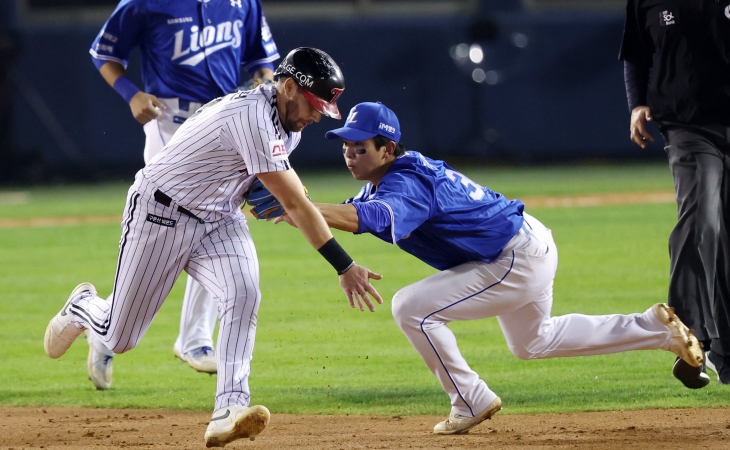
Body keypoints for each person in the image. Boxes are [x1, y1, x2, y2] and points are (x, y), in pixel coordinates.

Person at [275, 101, 704, 435]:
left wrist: (302, 206)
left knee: (411, 308)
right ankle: (656, 329)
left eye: (360, 147)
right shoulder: (392, 176)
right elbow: (354, 211)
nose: (350, 155)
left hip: (512, 257)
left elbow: (370, 218)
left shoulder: (406, 183)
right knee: (532, 341)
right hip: (526, 242)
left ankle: (470, 400)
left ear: (387, 149)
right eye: (346, 146)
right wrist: (300, 208)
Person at [44, 47, 382, 447]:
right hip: (161, 212)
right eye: (313, 105)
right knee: (120, 337)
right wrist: (344, 265)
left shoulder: (287, 123)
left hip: (219, 217)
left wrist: (274, 194)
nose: (315, 116)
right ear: (289, 87)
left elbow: (263, 189)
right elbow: (293, 202)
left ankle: (229, 409)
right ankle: (82, 306)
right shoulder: (253, 117)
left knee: (243, 293)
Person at [88, 0, 281, 387]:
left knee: (216, 220)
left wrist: (264, 79)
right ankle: (106, 325)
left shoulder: (243, 2)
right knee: (170, 229)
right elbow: (105, 52)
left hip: (227, 122)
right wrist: (132, 94)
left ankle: (193, 339)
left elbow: (263, 61)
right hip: (171, 121)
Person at [619, 0, 730, 388]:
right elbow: (635, 55)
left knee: (725, 238)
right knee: (702, 221)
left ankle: (725, 354)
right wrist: (637, 104)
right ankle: (687, 334)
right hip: (687, 125)